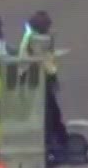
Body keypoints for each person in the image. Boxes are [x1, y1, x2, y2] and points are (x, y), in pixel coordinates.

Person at [20, 11, 66, 156]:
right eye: (46, 24)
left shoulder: (30, 36)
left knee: (49, 112)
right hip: (36, 77)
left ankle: (56, 139)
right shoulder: (37, 39)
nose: (48, 27)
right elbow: (44, 60)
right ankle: (53, 142)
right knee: (48, 113)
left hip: (33, 76)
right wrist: (52, 76)